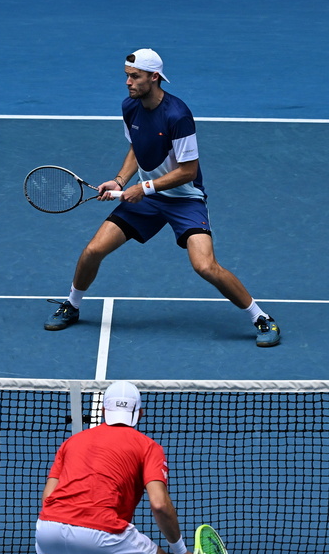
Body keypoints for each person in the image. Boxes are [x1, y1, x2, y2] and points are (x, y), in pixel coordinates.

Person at [44, 48, 281, 347]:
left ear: (154, 77)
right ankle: (72, 305)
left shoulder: (177, 115)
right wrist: (119, 180)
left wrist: (142, 189)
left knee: (205, 266)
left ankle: (262, 318)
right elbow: (136, 148)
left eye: (135, 77)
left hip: (184, 200)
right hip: (148, 200)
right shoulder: (130, 108)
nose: (128, 82)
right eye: (127, 76)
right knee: (93, 250)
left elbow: (188, 171)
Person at [35, 381, 186, 554]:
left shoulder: (70, 442)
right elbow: (159, 504)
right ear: (140, 414)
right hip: (102, 533)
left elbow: (48, 496)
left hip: (48, 530)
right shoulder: (149, 447)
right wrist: (180, 550)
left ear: (104, 411)